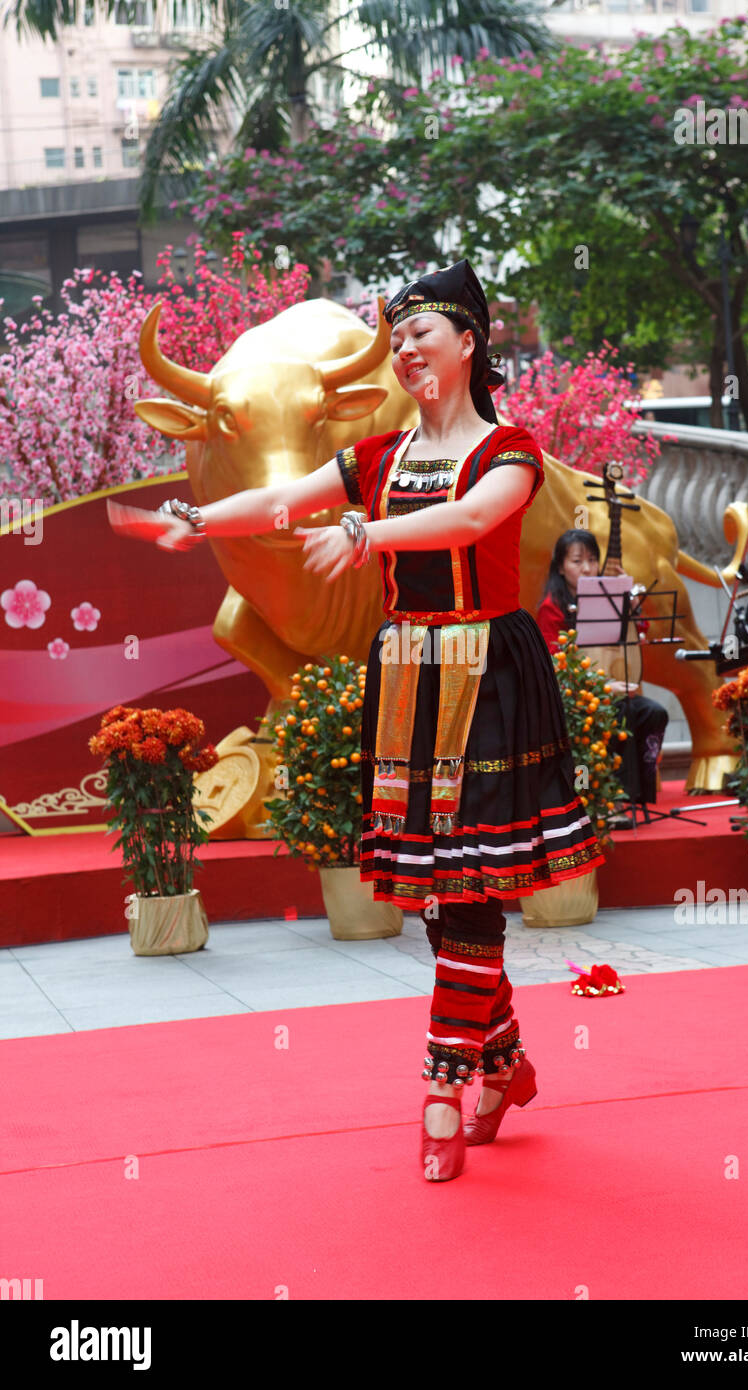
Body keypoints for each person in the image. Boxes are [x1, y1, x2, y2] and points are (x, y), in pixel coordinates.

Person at [108, 258, 605, 1184]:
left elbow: (468, 520)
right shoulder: (376, 458)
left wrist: (368, 534)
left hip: (486, 677)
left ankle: (443, 1086)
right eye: (400, 337)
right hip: (407, 679)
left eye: (424, 334)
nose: (409, 351)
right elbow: (282, 499)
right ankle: (503, 1060)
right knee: (432, 887)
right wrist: (197, 520)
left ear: (469, 342)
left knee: (469, 884)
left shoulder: (511, 449)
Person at [537, 529, 669, 806]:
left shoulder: (608, 598)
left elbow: (638, 633)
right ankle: (613, 797)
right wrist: (603, 687)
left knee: (655, 713)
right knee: (619, 711)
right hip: (575, 697)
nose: (587, 568)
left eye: (592, 560)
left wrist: (631, 604)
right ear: (560, 567)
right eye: (577, 561)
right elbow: (554, 666)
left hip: (610, 688)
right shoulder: (552, 607)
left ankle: (641, 795)